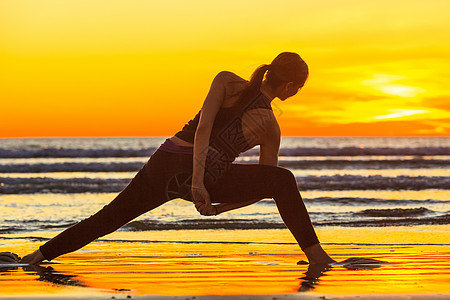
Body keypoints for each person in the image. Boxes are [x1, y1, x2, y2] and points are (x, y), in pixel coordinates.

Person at [20, 52, 335, 266]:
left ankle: (39, 255)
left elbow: (202, 129)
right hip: (204, 176)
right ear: (291, 86)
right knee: (283, 180)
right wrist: (206, 193)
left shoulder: (227, 81)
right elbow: (263, 185)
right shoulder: (270, 127)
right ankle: (316, 255)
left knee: (109, 218)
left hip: (164, 163)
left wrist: (211, 200)